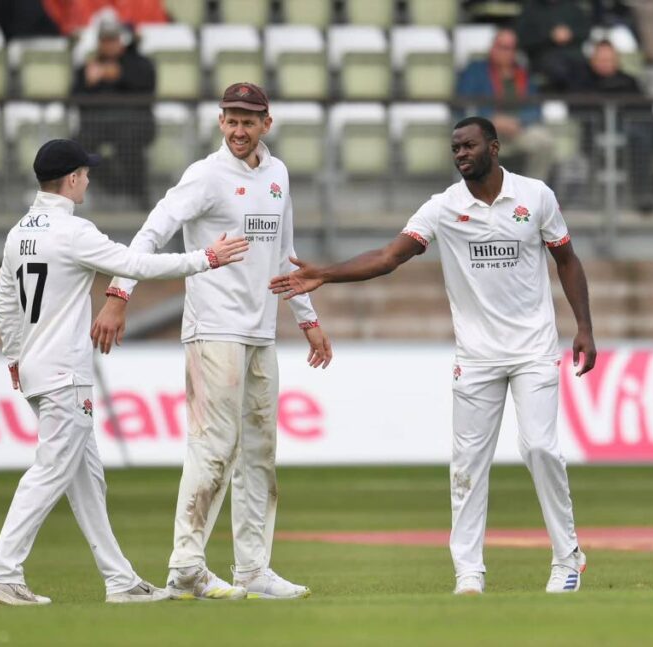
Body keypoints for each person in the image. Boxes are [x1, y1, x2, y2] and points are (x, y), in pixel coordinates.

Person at [270, 116, 596, 596]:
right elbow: (388, 257)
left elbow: (566, 259)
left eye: (468, 145)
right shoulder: (444, 207)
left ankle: (568, 558)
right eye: (454, 148)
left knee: (540, 448)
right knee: (467, 464)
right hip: (477, 356)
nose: (460, 154)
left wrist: (584, 326)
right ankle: (469, 571)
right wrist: (327, 274)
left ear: (494, 147)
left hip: (534, 348)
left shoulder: (536, 196)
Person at [0, 139, 248, 606]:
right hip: (66, 373)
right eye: (86, 174)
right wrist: (206, 259)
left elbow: (4, 303)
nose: (89, 180)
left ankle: (120, 580)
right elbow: (136, 263)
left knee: (87, 480)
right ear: (74, 179)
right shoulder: (73, 231)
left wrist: (15, 357)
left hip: (39, 369)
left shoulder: (19, 232)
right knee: (50, 471)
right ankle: (2, 570)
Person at [90, 82, 333, 601]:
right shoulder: (205, 175)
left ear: (267, 123)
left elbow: (285, 251)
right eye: (230, 120)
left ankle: (253, 570)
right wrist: (119, 292)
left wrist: (306, 318)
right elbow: (152, 232)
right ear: (220, 123)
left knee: (261, 454)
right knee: (214, 448)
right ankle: (186, 566)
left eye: (248, 121)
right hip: (214, 328)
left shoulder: (278, 173)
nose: (239, 130)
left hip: (261, 330)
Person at [571, 40, 653, 212]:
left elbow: (647, 108)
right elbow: (577, 109)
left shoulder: (629, 80)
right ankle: (643, 196)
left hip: (640, 127)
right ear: (593, 61)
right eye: (601, 59)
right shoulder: (583, 83)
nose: (605, 63)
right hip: (602, 135)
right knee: (640, 137)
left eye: (609, 59)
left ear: (617, 60)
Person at [72, 16, 156, 210]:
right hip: (98, 125)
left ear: (120, 41)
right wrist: (88, 82)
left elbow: (148, 85)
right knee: (78, 149)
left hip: (134, 125)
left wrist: (120, 74)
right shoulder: (88, 67)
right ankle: (114, 188)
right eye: (105, 40)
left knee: (129, 143)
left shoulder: (137, 63)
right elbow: (76, 98)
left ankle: (139, 196)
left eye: (113, 40)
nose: (109, 45)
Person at [456, 28, 556, 182]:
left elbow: (536, 109)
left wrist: (516, 122)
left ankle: (532, 192)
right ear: (492, 47)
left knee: (544, 142)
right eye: (501, 46)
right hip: (485, 131)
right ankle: (477, 197)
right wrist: (491, 120)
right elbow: (463, 102)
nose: (504, 52)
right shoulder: (475, 70)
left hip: (518, 129)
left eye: (509, 48)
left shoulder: (523, 74)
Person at [515, 0, 591, 91]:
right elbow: (523, 39)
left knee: (587, 70)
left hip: (574, 55)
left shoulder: (573, 7)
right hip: (543, 56)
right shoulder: (530, 9)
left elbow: (585, 31)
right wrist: (550, 36)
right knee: (559, 70)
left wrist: (570, 34)